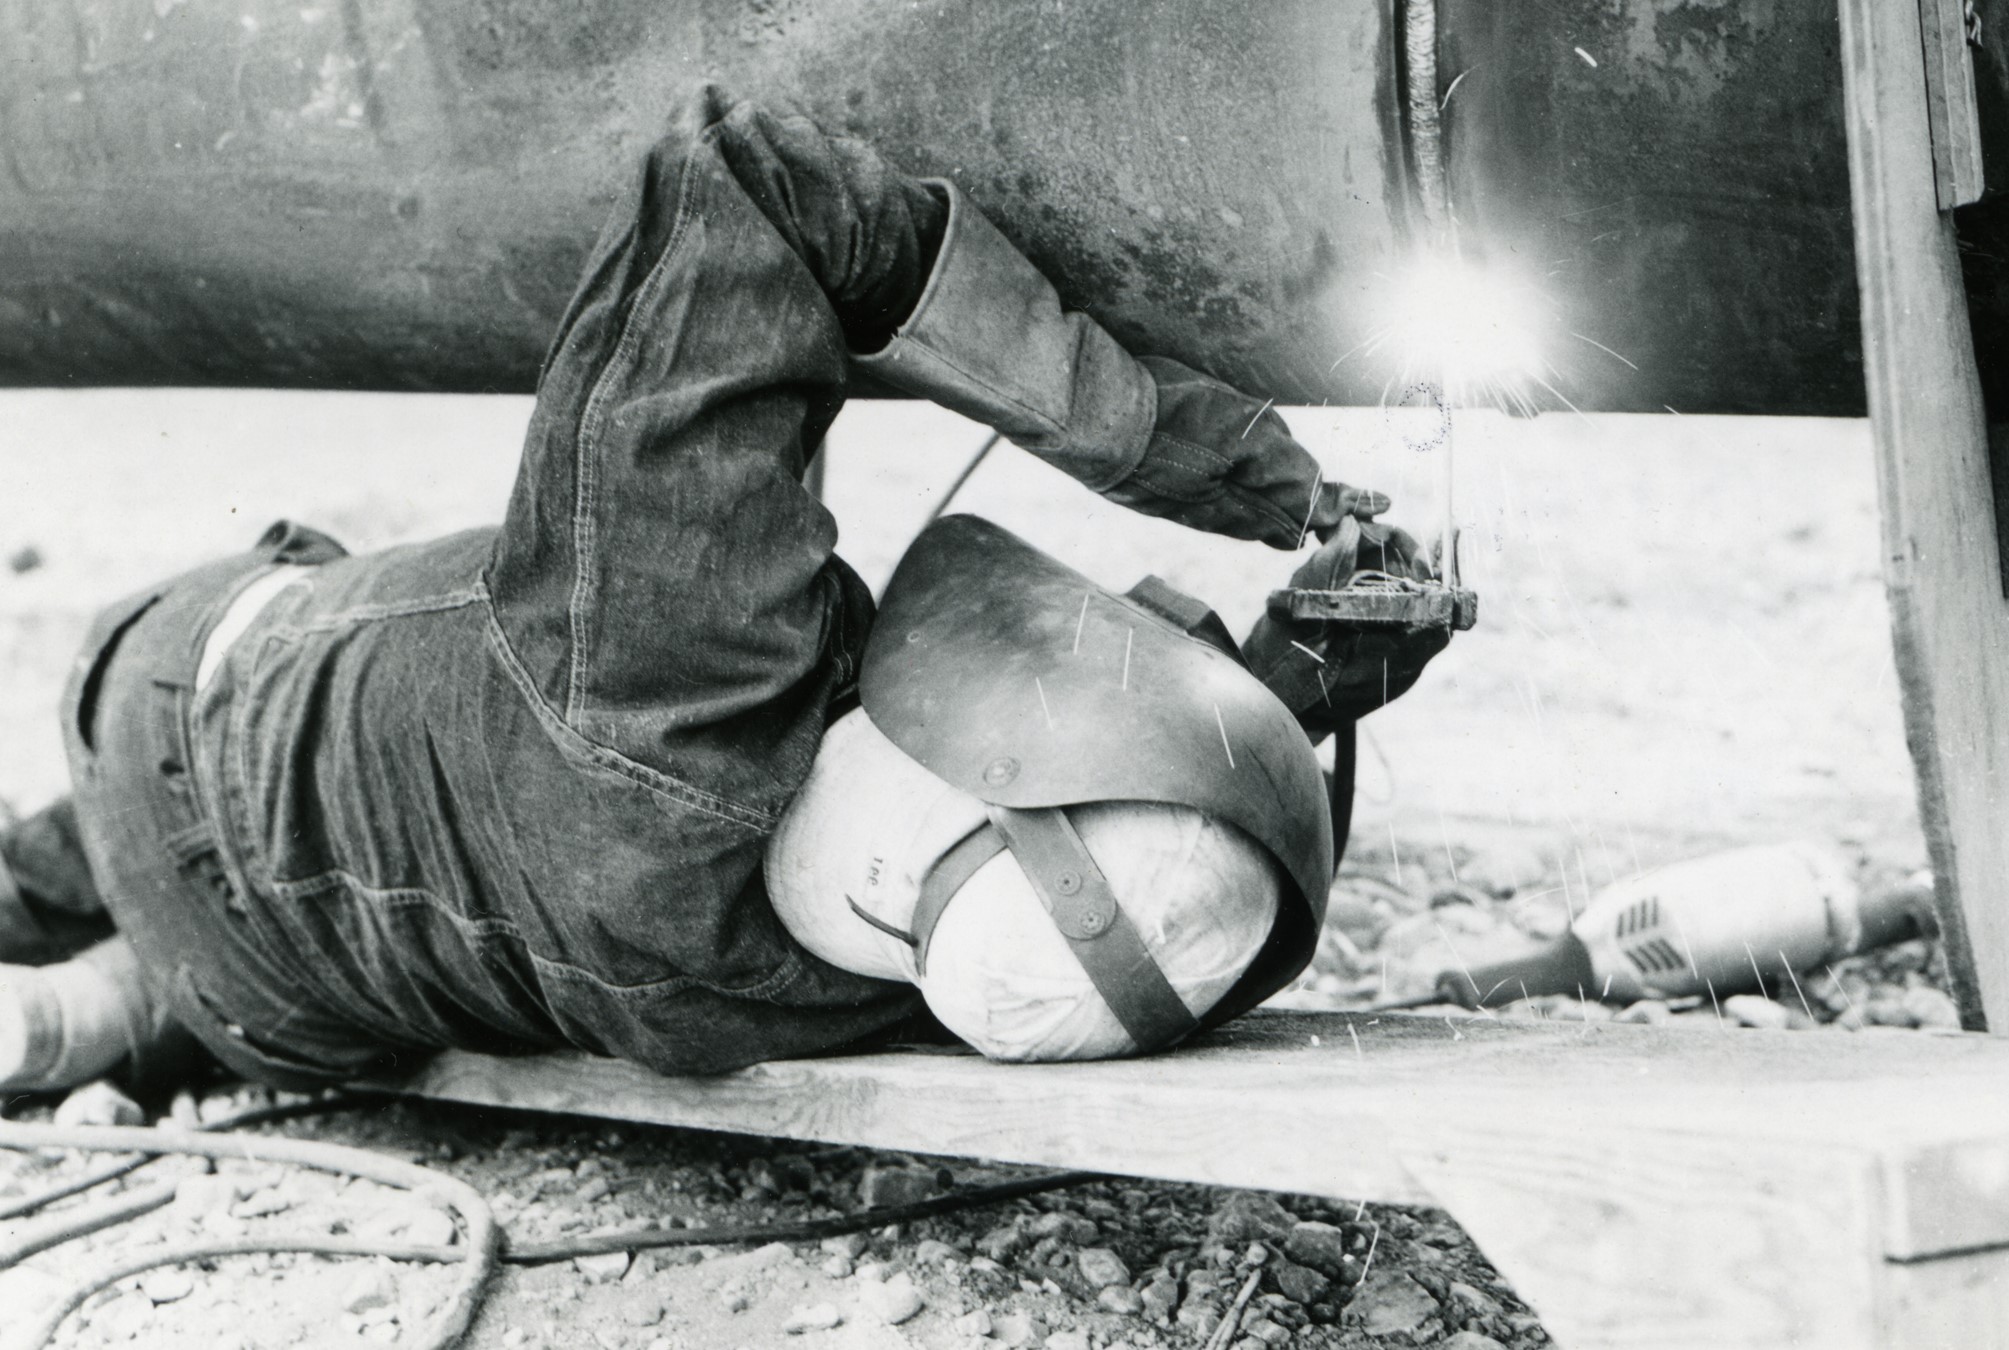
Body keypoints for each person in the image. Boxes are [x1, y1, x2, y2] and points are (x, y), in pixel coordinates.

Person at [0, 88, 1451, 1095]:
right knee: (326, 909)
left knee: (154, 806)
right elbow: (1094, 926)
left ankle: (89, 966)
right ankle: (119, 1006)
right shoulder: (876, 991)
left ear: (965, 770)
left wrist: (1204, 457)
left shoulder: (685, 670)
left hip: (169, 733)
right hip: (281, 1017)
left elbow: (746, 175)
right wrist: (1285, 692)